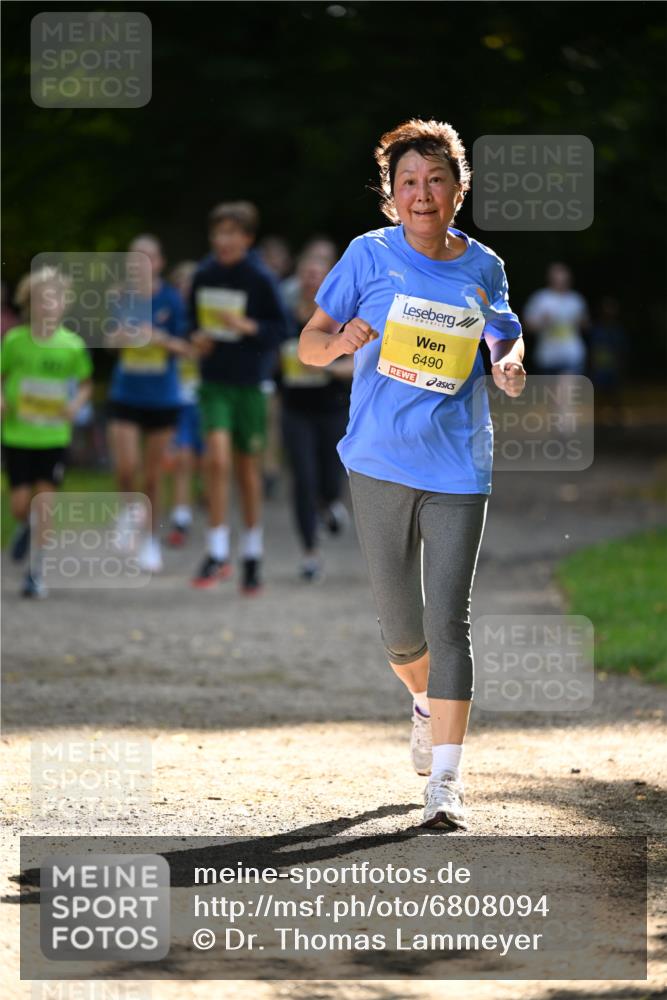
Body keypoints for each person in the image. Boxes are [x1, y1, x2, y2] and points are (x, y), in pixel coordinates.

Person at [298, 119, 526, 830]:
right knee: (402, 632)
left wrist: (508, 362)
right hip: (378, 460)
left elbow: (504, 330)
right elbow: (307, 345)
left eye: (435, 180)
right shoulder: (367, 255)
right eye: (408, 182)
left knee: (448, 620)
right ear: (391, 193)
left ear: (458, 189)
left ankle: (447, 783)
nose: (421, 194)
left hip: (459, 462)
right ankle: (423, 701)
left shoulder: (483, 265)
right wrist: (340, 340)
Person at [189, 201, 287, 593]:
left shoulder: (260, 278)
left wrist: (248, 326)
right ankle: (216, 551)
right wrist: (196, 338)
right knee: (216, 460)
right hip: (214, 382)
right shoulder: (203, 274)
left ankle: (251, 553)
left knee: (247, 470)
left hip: (249, 385)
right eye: (218, 233)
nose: (223, 240)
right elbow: (189, 323)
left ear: (247, 238)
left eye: (231, 233)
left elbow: (281, 329)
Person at [1, 267, 93, 597]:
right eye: (41, 299)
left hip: (53, 437)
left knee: (45, 503)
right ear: (29, 303)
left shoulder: (72, 346)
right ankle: (24, 525)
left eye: (54, 299)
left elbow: (85, 384)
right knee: (20, 504)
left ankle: (36, 571)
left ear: (64, 303)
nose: (47, 305)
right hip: (18, 435)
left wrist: (76, 404)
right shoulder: (14, 341)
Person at [106, 235, 190, 572]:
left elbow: (187, 347)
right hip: (125, 394)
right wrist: (120, 337)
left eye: (147, 256)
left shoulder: (172, 299)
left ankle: (150, 542)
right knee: (126, 468)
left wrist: (158, 339)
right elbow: (108, 342)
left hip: (162, 398)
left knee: (153, 477)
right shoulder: (119, 297)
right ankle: (129, 511)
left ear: (160, 262)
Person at [280, 250, 353, 581]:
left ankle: (330, 502)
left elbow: (359, 360)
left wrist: (330, 368)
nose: (311, 280)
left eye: (317, 274)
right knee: (303, 479)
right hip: (295, 409)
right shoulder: (285, 316)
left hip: (332, 407)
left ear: (328, 280)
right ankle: (310, 552)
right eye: (306, 274)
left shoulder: (341, 316)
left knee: (329, 478)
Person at [164, 260, 204, 546]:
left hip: (206, 399)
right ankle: (180, 517)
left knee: (208, 462)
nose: (185, 292)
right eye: (181, 286)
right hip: (178, 400)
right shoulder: (169, 320)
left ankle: (206, 504)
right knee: (182, 458)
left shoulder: (209, 319)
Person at [523, 262, 589, 375]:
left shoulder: (576, 300)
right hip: (547, 357)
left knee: (567, 385)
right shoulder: (540, 298)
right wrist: (543, 322)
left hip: (572, 355)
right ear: (550, 278)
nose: (560, 281)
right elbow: (527, 327)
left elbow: (586, 325)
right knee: (549, 387)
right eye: (557, 278)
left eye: (563, 278)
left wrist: (581, 322)